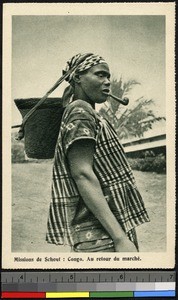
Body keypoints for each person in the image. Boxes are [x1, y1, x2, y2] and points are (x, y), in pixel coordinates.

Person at [46, 53, 150, 252]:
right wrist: (120, 238)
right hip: (102, 235)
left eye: (108, 77)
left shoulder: (87, 112)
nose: (107, 82)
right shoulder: (80, 111)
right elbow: (82, 174)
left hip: (103, 230)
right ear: (77, 77)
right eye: (100, 75)